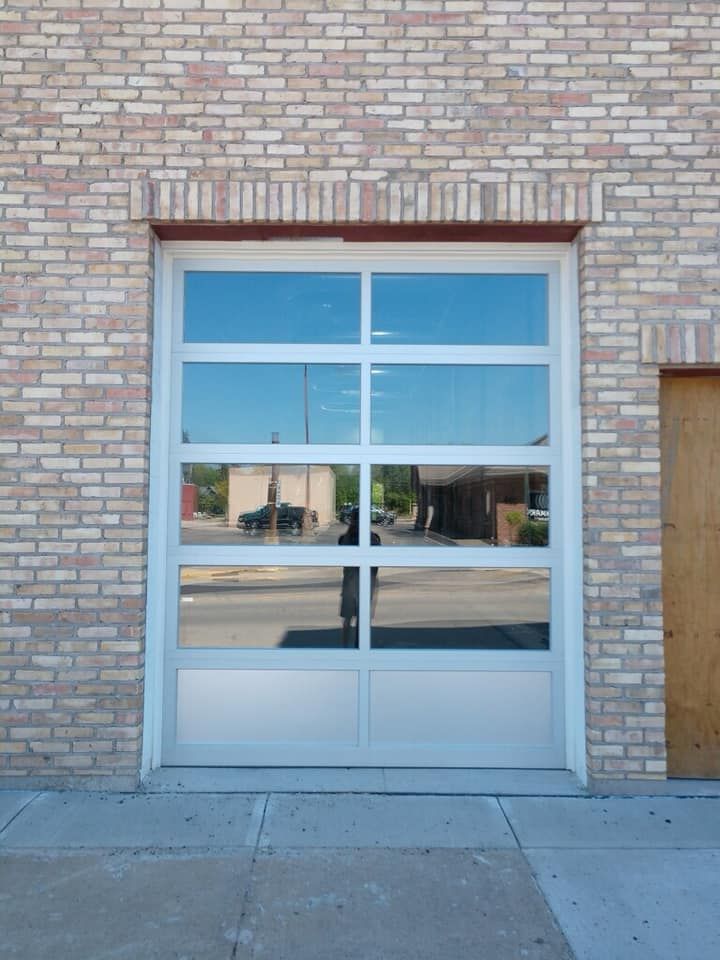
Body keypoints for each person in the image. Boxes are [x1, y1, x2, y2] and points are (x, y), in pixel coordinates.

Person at [338, 507, 380, 647]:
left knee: (348, 620)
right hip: (361, 584)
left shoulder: (346, 538)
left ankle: (348, 649)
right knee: (359, 620)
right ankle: (357, 648)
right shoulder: (372, 538)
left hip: (353, 584)